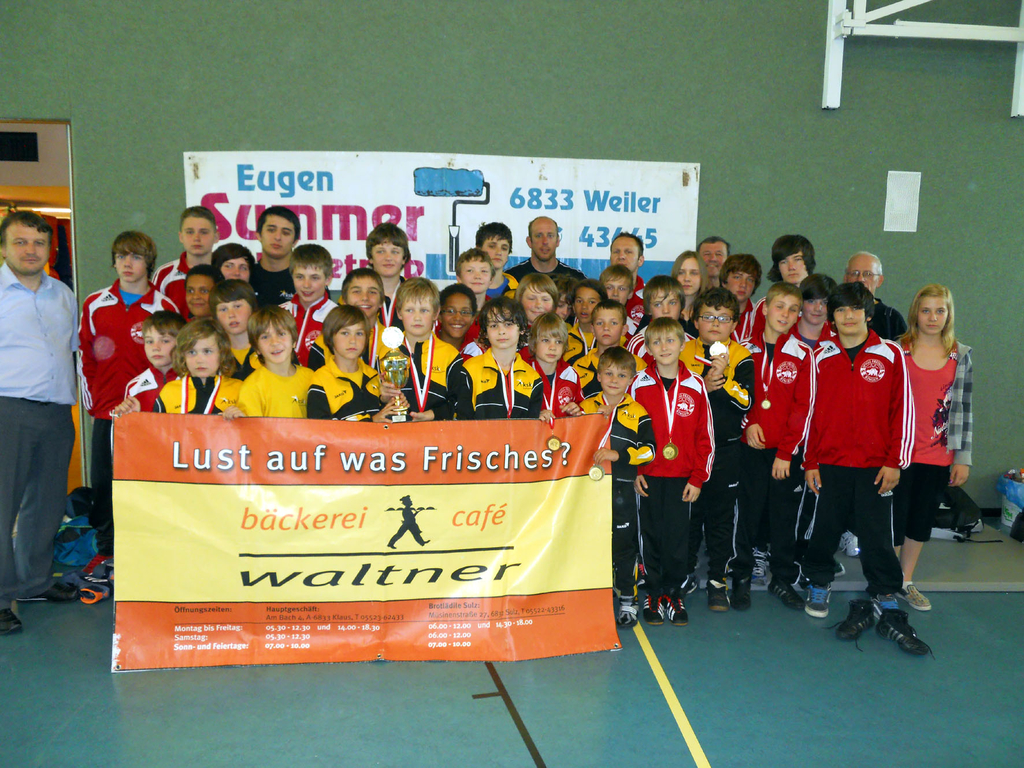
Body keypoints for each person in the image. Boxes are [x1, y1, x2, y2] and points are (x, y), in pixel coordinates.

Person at [802, 282, 929, 656]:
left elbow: (903, 410)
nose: (848, 316)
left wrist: (895, 461)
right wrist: (810, 461)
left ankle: (885, 590)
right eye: (841, 310)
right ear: (832, 316)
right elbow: (811, 412)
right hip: (831, 462)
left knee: (876, 533)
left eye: (855, 309)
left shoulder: (890, 354)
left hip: (876, 464)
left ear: (868, 313)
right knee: (825, 527)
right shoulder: (821, 355)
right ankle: (818, 582)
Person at [1, 212, 80, 634]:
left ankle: (33, 581)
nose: (30, 250)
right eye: (20, 242)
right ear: (4, 248)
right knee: (3, 506)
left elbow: (70, 351)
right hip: (7, 409)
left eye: (38, 243)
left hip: (56, 413)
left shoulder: (62, 294)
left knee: (46, 503)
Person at [79, 231, 177, 558]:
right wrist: (95, 404)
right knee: (104, 483)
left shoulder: (164, 306)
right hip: (107, 411)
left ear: (149, 262)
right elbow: (85, 356)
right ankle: (106, 551)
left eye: (135, 257)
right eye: (121, 256)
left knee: (147, 481)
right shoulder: (95, 303)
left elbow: (175, 362)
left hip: (149, 414)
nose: (127, 263)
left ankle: (150, 548)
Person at [893, 284, 972, 612]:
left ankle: (905, 580)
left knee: (919, 521)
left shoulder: (960, 354)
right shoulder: (896, 349)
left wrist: (962, 457)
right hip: (897, 455)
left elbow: (964, 408)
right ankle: (886, 581)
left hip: (937, 455)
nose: (932, 317)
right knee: (894, 521)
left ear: (948, 315)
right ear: (916, 312)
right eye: (926, 310)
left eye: (940, 311)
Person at [733, 283, 813, 608]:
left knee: (784, 516)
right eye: (780, 306)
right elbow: (733, 396)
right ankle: (740, 576)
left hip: (785, 454)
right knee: (746, 514)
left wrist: (786, 453)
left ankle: (782, 578)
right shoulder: (740, 349)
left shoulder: (802, 354)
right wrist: (747, 422)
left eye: (793, 309)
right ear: (764, 309)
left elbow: (803, 407)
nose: (785, 314)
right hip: (748, 448)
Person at [630, 318, 714, 626]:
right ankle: (653, 592)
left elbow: (705, 436)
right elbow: (628, 430)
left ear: (682, 344)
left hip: (682, 477)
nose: (663, 347)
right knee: (650, 536)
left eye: (670, 341)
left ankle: (674, 592)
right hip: (648, 476)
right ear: (647, 348)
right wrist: (635, 469)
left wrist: (698, 477)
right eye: (656, 342)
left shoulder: (695, 385)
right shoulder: (638, 384)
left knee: (679, 538)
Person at [681, 288, 754, 610]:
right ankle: (683, 573)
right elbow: (675, 395)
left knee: (722, 519)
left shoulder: (742, 356)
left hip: (725, 451)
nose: (715, 323)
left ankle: (716, 580)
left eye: (723, 318)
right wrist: (702, 383)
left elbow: (746, 402)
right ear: (695, 320)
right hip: (688, 450)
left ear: (734, 323)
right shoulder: (682, 350)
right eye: (708, 316)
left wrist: (722, 380)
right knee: (688, 516)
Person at [580, 347, 656, 628]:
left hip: (622, 490)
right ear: (598, 376)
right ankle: (591, 598)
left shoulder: (638, 412)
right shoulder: (585, 407)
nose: (614, 380)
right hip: (587, 489)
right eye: (609, 373)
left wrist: (619, 455)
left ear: (631, 379)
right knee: (589, 544)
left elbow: (650, 451)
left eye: (622, 375)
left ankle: (627, 598)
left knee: (624, 547)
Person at [377, 278, 464, 422]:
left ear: (435, 313)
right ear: (399, 313)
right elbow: (373, 401)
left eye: (424, 310)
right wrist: (383, 398)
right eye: (410, 310)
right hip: (395, 430)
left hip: (437, 431)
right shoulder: (386, 352)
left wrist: (433, 414)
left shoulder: (450, 355)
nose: (417, 317)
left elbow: (460, 402)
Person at [307, 305, 402, 421]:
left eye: (359, 334)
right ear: (330, 337)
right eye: (345, 333)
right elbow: (320, 428)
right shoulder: (321, 380)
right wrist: (371, 422)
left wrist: (386, 401)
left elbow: (382, 419)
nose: (353, 341)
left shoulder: (373, 375)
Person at [456, 297, 543, 420]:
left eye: (508, 324)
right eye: (494, 325)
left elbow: (531, 426)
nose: (501, 331)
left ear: (522, 329)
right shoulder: (469, 370)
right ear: (485, 332)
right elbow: (461, 422)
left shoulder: (533, 378)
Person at [225, 306, 315, 419]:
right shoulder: (252, 388)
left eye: (281, 334)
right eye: (265, 337)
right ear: (257, 348)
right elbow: (252, 428)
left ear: (294, 341)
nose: (274, 342)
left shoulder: (311, 377)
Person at [154, 318, 242, 414]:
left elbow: (251, 422)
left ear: (222, 353)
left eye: (207, 351)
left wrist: (242, 419)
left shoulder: (239, 389)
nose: (199, 360)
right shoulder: (169, 391)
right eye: (192, 352)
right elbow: (154, 423)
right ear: (183, 356)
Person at [308, 267, 385, 371]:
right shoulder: (325, 342)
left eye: (372, 292)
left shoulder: (390, 341)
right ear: (344, 299)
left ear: (381, 301)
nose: (365, 297)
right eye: (357, 291)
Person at [111, 311, 186, 417]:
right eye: (150, 341)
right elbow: (129, 427)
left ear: (181, 343)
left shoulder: (193, 382)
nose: (155, 348)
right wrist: (130, 418)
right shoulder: (135, 387)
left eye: (165, 341)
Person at [743, 235, 816, 343]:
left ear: (808, 262)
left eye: (797, 259)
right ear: (778, 267)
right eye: (784, 262)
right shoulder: (766, 304)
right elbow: (755, 346)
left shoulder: (822, 304)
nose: (791, 267)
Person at [153, 206, 220, 315]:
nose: (196, 238)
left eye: (203, 232)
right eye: (190, 232)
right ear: (181, 237)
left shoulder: (224, 271)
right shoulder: (164, 274)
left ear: (216, 237)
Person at [573, 300, 645, 398]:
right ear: (592, 329)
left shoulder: (637, 365)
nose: (606, 328)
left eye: (613, 323)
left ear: (624, 329)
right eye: (600, 323)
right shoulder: (579, 366)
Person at [281, 244, 338, 367]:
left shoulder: (338, 317)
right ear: (292, 276)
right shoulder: (279, 313)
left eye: (314, 278)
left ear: (328, 279)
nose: (306, 285)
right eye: (300, 277)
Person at [529, 313, 583, 422]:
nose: (552, 347)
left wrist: (577, 411)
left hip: (563, 432)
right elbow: (517, 414)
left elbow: (580, 406)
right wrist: (534, 415)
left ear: (565, 346)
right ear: (533, 344)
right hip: (533, 432)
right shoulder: (523, 375)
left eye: (558, 342)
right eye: (546, 340)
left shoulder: (571, 375)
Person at [843, 251, 907, 341]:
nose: (860, 279)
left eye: (868, 274)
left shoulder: (891, 318)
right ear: (845, 279)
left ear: (879, 280)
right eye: (855, 273)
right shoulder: (834, 313)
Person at [505, 217, 585, 281]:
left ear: (557, 241)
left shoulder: (576, 279)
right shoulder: (511, 278)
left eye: (550, 236)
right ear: (529, 242)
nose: (545, 241)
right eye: (539, 236)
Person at [626, 275, 685, 363]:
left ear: (681, 305)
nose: (666, 310)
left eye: (672, 303)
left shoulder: (689, 341)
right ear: (648, 309)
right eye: (658, 304)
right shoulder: (638, 344)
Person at [250, 206, 300, 307]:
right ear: (259, 235)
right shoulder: (246, 276)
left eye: (285, 233)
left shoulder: (306, 280)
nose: (277, 237)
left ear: (295, 241)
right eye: (271, 230)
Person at [209, 280, 260, 379]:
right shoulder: (214, 354)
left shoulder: (268, 347)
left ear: (252, 308)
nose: (231, 315)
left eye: (237, 306)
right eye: (223, 309)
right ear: (215, 316)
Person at [366, 222, 410, 327]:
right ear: (370, 257)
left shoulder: (416, 294)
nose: (388, 258)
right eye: (381, 251)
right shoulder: (357, 295)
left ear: (404, 258)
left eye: (395, 252)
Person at [608, 232, 646, 331]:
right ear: (610, 258)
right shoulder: (597, 295)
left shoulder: (651, 297)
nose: (621, 256)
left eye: (628, 252)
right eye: (616, 251)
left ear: (640, 260)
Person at [720, 253, 762, 341]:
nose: (743, 284)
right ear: (724, 281)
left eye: (750, 279)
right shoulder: (712, 314)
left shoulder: (760, 316)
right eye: (737, 277)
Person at [563, 279, 606, 364]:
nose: (584, 306)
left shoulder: (612, 339)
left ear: (602, 306)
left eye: (591, 302)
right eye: (579, 301)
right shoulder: (564, 339)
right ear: (573, 306)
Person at [670, 250, 708, 338]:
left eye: (694, 273)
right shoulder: (662, 310)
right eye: (681, 273)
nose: (686, 278)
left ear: (702, 276)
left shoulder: (711, 313)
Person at [794, 274, 838, 349]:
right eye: (811, 301)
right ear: (801, 302)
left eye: (825, 302)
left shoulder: (839, 339)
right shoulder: (784, 334)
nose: (818, 308)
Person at [476, 222, 519, 299]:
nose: (499, 252)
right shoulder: (462, 290)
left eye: (504, 248)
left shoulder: (518, 291)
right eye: (492, 246)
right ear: (478, 250)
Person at [436, 284, 478, 352]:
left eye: (465, 312)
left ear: (473, 318)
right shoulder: (426, 347)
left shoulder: (477, 351)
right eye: (450, 311)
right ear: (439, 315)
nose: (458, 318)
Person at [599, 264, 638, 333]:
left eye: (621, 289)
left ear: (630, 293)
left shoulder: (635, 330)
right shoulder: (590, 325)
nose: (615, 293)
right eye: (609, 288)